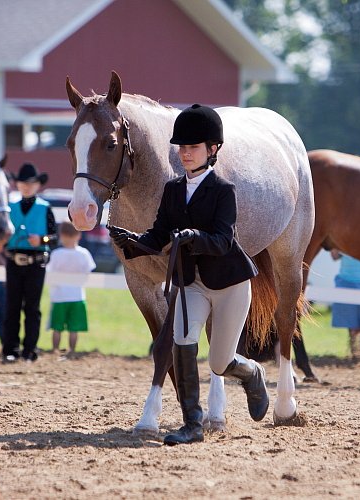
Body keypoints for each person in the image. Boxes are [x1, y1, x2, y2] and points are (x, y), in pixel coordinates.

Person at [108, 104, 268, 446]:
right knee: (182, 342)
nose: (185, 154)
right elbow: (159, 235)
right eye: (181, 148)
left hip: (229, 284)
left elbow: (224, 240)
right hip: (192, 283)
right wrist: (133, 243)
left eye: (192, 148)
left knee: (220, 362)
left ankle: (253, 372)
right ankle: (192, 425)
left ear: (213, 150)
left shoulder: (224, 190)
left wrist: (194, 237)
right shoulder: (172, 190)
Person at [1, 163, 57, 363]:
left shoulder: (45, 208)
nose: (26, 186)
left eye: (31, 183)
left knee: (32, 308)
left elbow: (54, 237)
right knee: (12, 307)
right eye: (23, 183)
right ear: (17, 184)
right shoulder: (10, 207)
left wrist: (41, 240)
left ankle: (30, 350)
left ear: (37, 185)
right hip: (14, 262)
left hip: (36, 263)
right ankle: (10, 349)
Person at [47, 222, 96, 359]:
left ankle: (55, 349)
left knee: (57, 327)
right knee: (73, 328)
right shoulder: (84, 253)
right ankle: (72, 350)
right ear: (79, 235)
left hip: (59, 296)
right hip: (77, 296)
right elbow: (89, 271)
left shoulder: (56, 254)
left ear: (61, 235)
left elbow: (50, 271)